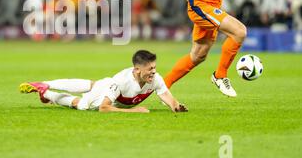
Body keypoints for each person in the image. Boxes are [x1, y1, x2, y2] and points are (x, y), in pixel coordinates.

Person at [19, 50, 188, 113]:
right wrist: (134, 111)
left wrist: (175, 106)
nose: (154, 71)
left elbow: (165, 94)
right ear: (137, 70)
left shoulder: (154, 78)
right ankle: (46, 92)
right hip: (105, 94)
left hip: (106, 85)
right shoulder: (122, 81)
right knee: (81, 104)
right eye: (150, 69)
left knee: (93, 84)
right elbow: (104, 108)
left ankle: (45, 84)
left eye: (154, 67)